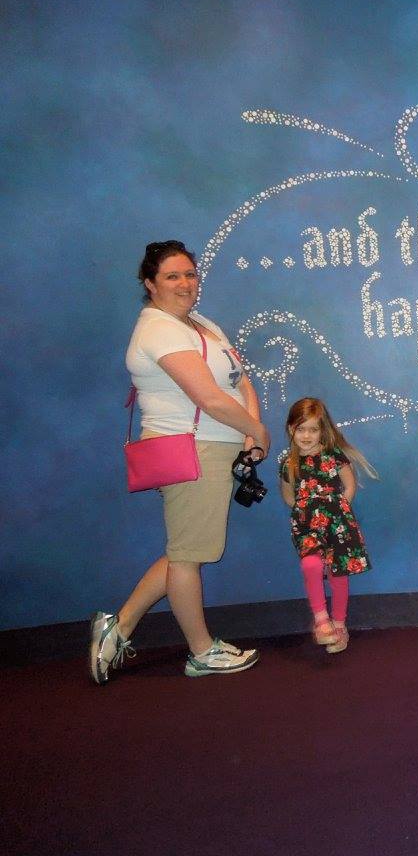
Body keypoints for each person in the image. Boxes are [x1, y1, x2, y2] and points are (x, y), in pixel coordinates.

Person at [89, 241, 271, 683]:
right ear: (150, 283)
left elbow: (239, 380)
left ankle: (118, 627)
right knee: (189, 556)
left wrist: (249, 430)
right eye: (172, 276)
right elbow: (208, 397)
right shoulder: (159, 329)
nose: (185, 283)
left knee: (185, 549)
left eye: (190, 274)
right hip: (191, 450)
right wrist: (259, 431)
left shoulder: (200, 323)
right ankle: (201, 652)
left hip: (214, 446)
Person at [280, 397, 376, 654]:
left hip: (338, 525)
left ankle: (340, 625)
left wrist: (339, 510)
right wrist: (305, 511)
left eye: (313, 429)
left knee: (338, 573)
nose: (306, 436)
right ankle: (321, 620)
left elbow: (350, 485)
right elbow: (288, 496)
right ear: (291, 429)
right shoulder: (289, 464)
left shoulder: (334, 457)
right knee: (310, 564)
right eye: (301, 429)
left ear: (322, 430)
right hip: (307, 526)